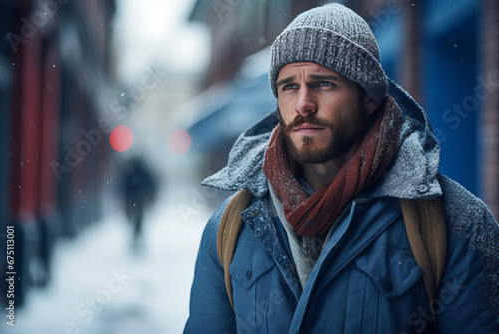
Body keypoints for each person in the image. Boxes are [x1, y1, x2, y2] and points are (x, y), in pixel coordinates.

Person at [184, 3, 499, 333]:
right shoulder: (231, 228)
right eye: (289, 86)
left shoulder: (456, 224)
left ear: (369, 98)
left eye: (324, 83)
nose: (303, 103)